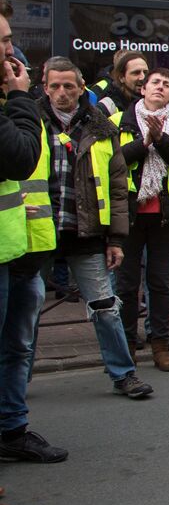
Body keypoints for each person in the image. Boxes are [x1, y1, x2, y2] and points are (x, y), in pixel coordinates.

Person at [36, 60, 148, 397]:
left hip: (86, 232)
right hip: (37, 231)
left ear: (82, 86)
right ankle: (16, 379)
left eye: (69, 86)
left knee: (104, 307)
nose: (62, 93)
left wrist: (115, 238)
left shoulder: (100, 126)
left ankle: (123, 373)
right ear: (44, 86)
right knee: (24, 312)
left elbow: (117, 186)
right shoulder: (30, 120)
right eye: (55, 86)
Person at [1, 30, 68, 471]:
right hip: (7, 246)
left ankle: (11, 429)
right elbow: (19, 157)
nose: (11, 50)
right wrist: (19, 100)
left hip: (26, 244)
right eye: (4, 41)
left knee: (18, 346)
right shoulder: (21, 102)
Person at [114, 68, 169, 372]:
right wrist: (145, 142)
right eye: (155, 83)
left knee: (160, 283)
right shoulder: (120, 121)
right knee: (126, 285)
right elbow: (114, 159)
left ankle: (160, 345)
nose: (161, 87)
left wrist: (160, 138)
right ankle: (127, 347)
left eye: (167, 85)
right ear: (143, 89)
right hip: (129, 215)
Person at [97, 50, 148, 117]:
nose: (142, 77)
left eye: (145, 72)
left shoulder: (155, 102)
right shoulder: (107, 107)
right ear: (121, 77)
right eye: (136, 73)